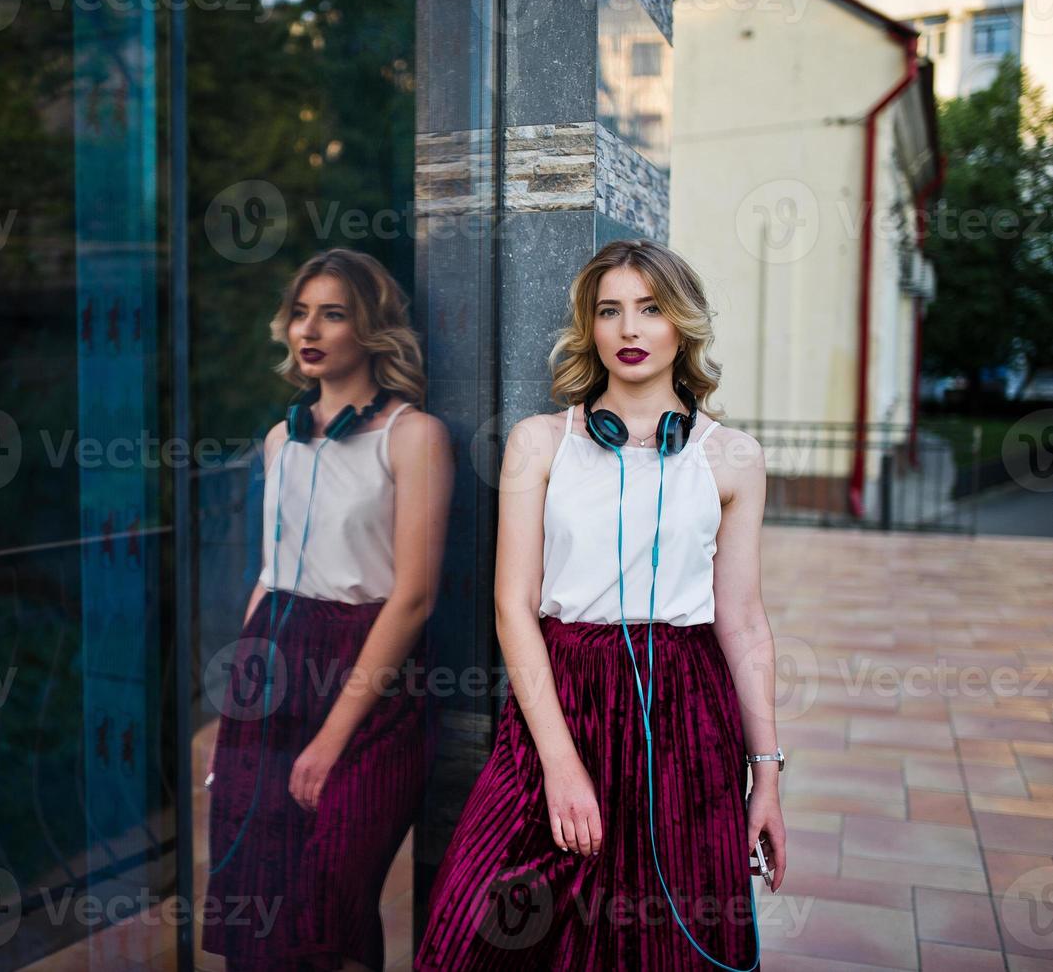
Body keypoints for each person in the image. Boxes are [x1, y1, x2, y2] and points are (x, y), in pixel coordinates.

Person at [414, 238, 788, 970]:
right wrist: (558, 760)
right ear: (588, 328)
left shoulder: (732, 456)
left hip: (684, 710)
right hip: (562, 698)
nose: (628, 329)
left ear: (681, 324)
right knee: (473, 932)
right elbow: (512, 606)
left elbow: (741, 621)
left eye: (649, 309)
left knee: (656, 945)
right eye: (609, 311)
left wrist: (766, 775)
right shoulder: (538, 443)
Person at [201, 247, 454, 971]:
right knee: (258, 895)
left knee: (331, 895)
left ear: (371, 330)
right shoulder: (281, 438)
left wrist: (330, 738)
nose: (308, 328)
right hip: (271, 660)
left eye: (333, 313)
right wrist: (235, 717)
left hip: (368, 671)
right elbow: (268, 574)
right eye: (301, 311)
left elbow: (412, 597)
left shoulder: (414, 437)